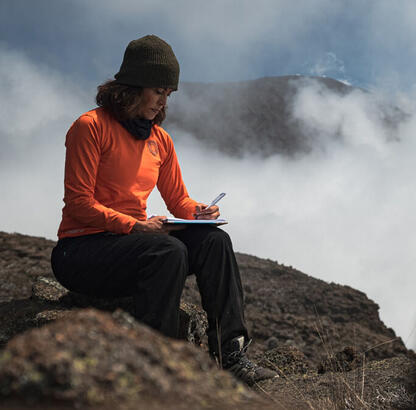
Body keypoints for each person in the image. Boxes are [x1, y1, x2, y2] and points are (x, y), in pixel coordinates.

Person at [50, 35, 277, 385]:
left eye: (168, 94)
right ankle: (163, 367)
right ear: (132, 85)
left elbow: (178, 201)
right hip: (81, 252)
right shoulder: (90, 127)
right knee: (167, 250)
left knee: (215, 240)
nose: (162, 101)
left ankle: (231, 355)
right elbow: (79, 205)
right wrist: (135, 226)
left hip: (132, 247)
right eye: (158, 90)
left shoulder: (160, 140)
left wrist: (200, 211)